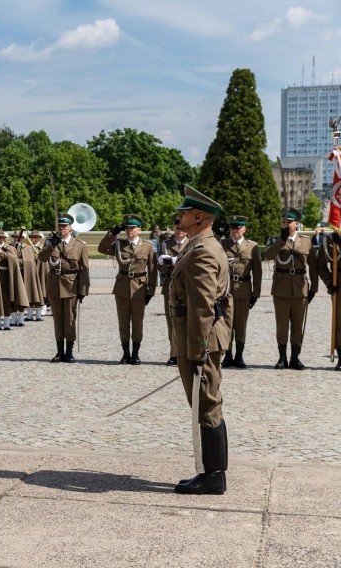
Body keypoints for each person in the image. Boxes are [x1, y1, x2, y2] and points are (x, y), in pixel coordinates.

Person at [169, 187, 230, 495]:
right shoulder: (199, 244)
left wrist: (197, 349)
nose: (179, 216)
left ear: (199, 217)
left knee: (206, 404)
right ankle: (211, 471)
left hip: (200, 340)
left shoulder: (203, 249)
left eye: (184, 212)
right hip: (199, 338)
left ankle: (214, 476)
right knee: (204, 402)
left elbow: (203, 306)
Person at [263, 208, 318, 370]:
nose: (286, 224)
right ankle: (282, 358)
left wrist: (313, 288)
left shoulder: (306, 242)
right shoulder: (277, 240)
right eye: (284, 221)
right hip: (281, 288)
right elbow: (267, 255)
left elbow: (313, 267)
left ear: (296, 224)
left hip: (300, 288)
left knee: (297, 324)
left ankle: (295, 358)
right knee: (281, 325)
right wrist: (281, 240)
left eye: (289, 222)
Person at [98, 214, 157, 364]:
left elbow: (152, 270)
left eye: (132, 228)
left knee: (137, 323)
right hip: (122, 287)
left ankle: (135, 353)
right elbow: (102, 248)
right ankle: (125, 353)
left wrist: (151, 291)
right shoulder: (119, 244)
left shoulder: (147, 246)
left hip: (139, 287)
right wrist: (112, 234)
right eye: (127, 228)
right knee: (123, 322)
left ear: (139, 229)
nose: (129, 230)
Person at [38, 213, 90, 363]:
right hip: (55, 284)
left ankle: (69, 351)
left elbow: (84, 269)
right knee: (58, 319)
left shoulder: (79, 245)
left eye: (64, 226)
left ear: (70, 228)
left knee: (70, 319)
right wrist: (50, 246)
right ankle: (59, 351)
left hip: (71, 285)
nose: (62, 229)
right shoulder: (51, 242)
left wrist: (83, 290)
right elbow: (41, 259)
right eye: (60, 226)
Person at [220, 216, 262, 369]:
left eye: (238, 228)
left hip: (244, 289)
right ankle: (228, 355)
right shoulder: (222, 245)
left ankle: (239, 355)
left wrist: (255, 293)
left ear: (244, 229)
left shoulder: (252, 247)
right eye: (232, 228)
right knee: (227, 323)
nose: (235, 231)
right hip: (227, 290)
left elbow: (257, 272)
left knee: (241, 324)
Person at [157, 220, 188, 366]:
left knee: (188, 319)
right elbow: (161, 269)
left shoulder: (192, 242)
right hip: (171, 284)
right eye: (177, 228)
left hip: (188, 285)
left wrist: (177, 261)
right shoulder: (166, 244)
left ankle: (187, 352)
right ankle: (174, 353)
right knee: (172, 321)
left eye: (182, 228)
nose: (180, 230)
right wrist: (163, 263)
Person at [317, 230, 341, 369]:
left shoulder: (339, 241)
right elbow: (321, 266)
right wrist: (329, 283)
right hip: (339, 285)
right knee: (340, 322)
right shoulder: (327, 240)